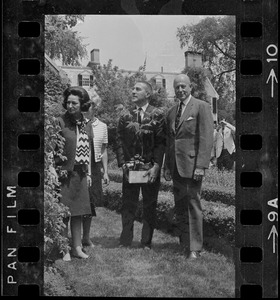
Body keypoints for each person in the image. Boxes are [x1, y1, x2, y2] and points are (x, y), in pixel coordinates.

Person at [164, 74, 213, 259]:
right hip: (176, 166)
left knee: (193, 204)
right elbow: (170, 141)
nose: (180, 90)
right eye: (177, 87)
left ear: (190, 87)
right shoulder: (171, 111)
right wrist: (167, 167)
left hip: (193, 166)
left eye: (183, 86)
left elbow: (206, 138)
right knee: (180, 205)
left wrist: (201, 166)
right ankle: (184, 243)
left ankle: (195, 248)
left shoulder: (201, 107)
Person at [115, 81, 165, 249]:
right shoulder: (126, 115)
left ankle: (146, 242)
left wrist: (157, 165)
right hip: (130, 167)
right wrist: (123, 163)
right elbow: (119, 139)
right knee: (128, 203)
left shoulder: (156, 115)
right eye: (133, 89)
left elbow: (161, 142)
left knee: (150, 204)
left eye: (138, 89)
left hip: (149, 167)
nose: (133, 91)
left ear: (148, 94)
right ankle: (125, 240)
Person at [55, 86, 94, 260]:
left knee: (78, 213)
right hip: (64, 174)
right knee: (64, 214)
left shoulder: (87, 123)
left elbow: (90, 150)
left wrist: (90, 173)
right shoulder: (60, 122)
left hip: (81, 173)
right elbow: (52, 148)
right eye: (68, 102)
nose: (70, 106)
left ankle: (77, 248)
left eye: (74, 103)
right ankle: (64, 250)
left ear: (82, 104)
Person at [82, 100, 110, 249]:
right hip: (80, 166)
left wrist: (105, 172)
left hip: (95, 164)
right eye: (83, 108)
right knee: (78, 203)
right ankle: (72, 238)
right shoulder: (78, 124)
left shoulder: (102, 126)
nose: (85, 111)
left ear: (94, 110)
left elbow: (104, 150)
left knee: (90, 203)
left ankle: (86, 237)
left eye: (88, 109)